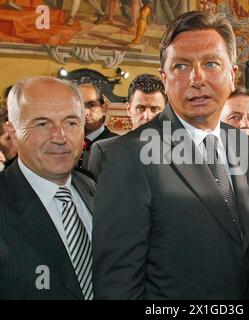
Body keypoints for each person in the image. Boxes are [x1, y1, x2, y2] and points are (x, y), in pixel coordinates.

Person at [93, 11, 249, 299]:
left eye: (211, 64)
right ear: (165, 78)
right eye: (181, 66)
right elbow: (118, 286)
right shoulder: (130, 156)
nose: (197, 79)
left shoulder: (242, 145)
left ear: (233, 75)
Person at [0, 76, 95, 299]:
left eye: (71, 122)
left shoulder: (94, 189)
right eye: (42, 123)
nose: (60, 137)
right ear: (12, 131)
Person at [87, 73, 167, 180]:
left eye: (154, 109)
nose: (147, 116)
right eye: (140, 108)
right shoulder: (103, 150)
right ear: (129, 109)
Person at [77, 83, 117, 172]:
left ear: (104, 109)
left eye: (91, 105)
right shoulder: (66, 143)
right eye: (79, 106)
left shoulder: (118, 144)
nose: (85, 112)